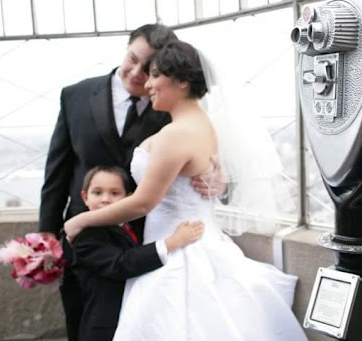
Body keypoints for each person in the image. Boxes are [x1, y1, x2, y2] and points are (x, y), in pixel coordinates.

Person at [64, 40, 307, 340]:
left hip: (179, 251)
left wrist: (80, 220)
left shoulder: (176, 134)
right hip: (195, 239)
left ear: (180, 81)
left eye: (155, 75)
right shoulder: (204, 123)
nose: (148, 83)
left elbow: (142, 203)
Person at [38, 24, 224, 341]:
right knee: (83, 323)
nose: (139, 74)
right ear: (125, 49)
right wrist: (46, 233)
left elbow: (194, 162)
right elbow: (57, 168)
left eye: (150, 68)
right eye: (132, 59)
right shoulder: (76, 95)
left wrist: (218, 179)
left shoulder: (173, 109)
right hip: (87, 240)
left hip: (145, 244)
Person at [72, 165, 204, 341]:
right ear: (84, 197)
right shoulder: (87, 236)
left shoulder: (132, 225)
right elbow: (120, 264)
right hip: (107, 326)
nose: (105, 199)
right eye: (97, 193)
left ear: (128, 198)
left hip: (134, 317)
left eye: (114, 193)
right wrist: (172, 242)